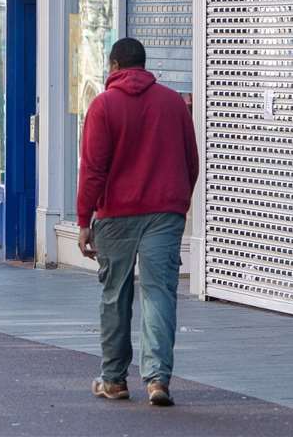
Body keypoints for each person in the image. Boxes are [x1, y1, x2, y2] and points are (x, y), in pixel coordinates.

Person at [77, 38, 199, 408]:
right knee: (159, 292)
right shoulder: (173, 103)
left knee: (116, 293)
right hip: (164, 213)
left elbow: (93, 169)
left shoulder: (103, 106)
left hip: (117, 215)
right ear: (144, 66)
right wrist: (177, 202)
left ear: (114, 66)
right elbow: (190, 161)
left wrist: (84, 220)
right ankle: (157, 379)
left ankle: (114, 379)